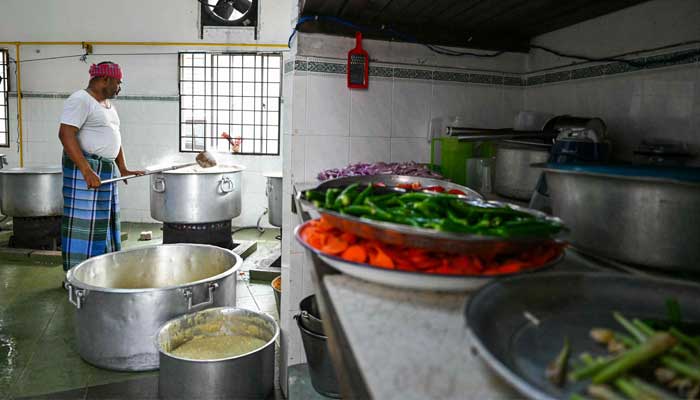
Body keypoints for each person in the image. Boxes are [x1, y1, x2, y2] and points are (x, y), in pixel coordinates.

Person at [58, 61, 144, 272]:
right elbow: (65, 134)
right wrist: (86, 170)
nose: (119, 87)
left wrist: (122, 168)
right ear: (104, 79)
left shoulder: (108, 106)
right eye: (117, 82)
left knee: (103, 224)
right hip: (86, 169)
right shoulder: (80, 100)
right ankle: (78, 275)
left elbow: (115, 137)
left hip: (105, 169)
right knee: (84, 225)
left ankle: (101, 273)